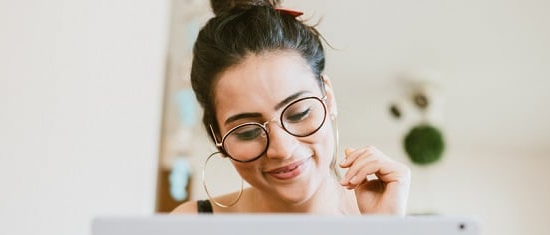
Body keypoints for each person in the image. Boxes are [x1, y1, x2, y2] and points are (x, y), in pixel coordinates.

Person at [171, 0, 410, 215]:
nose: (282, 149)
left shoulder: (383, 218)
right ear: (218, 138)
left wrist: (384, 234)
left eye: (299, 113)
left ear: (329, 98)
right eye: (247, 132)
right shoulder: (188, 226)